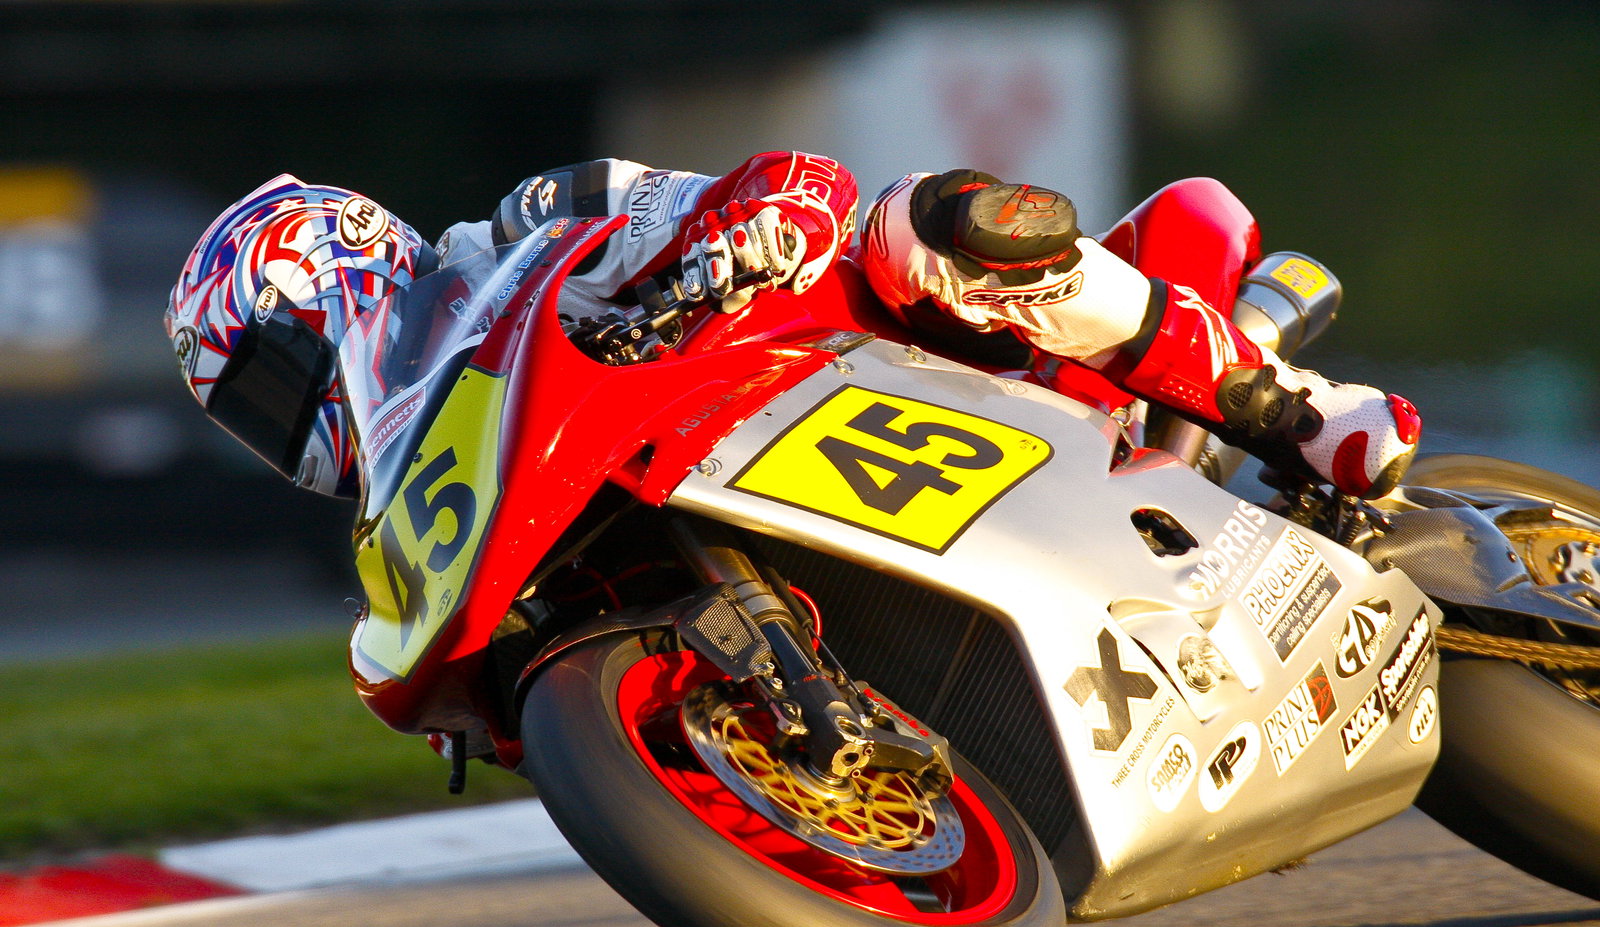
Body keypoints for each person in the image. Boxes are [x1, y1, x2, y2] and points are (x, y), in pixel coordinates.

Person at [165, 151, 1417, 500]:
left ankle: (1299, 415)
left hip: (890, 377)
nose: (282, 427)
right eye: (253, 423)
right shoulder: (427, 509)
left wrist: (734, 236)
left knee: (928, 222)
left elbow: (748, 191)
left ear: (337, 283)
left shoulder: (520, 239)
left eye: (270, 385)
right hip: (810, 493)